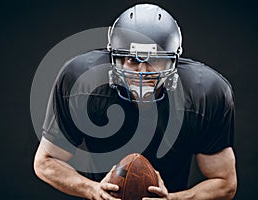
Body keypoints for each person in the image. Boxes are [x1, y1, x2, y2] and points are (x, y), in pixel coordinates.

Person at [34, 3, 237, 200]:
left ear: (173, 60)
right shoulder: (83, 83)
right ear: (113, 58)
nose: (142, 72)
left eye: (155, 59)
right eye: (132, 60)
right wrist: (93, 190)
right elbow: (45, 162)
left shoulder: (204, 93)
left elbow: (225, 182)